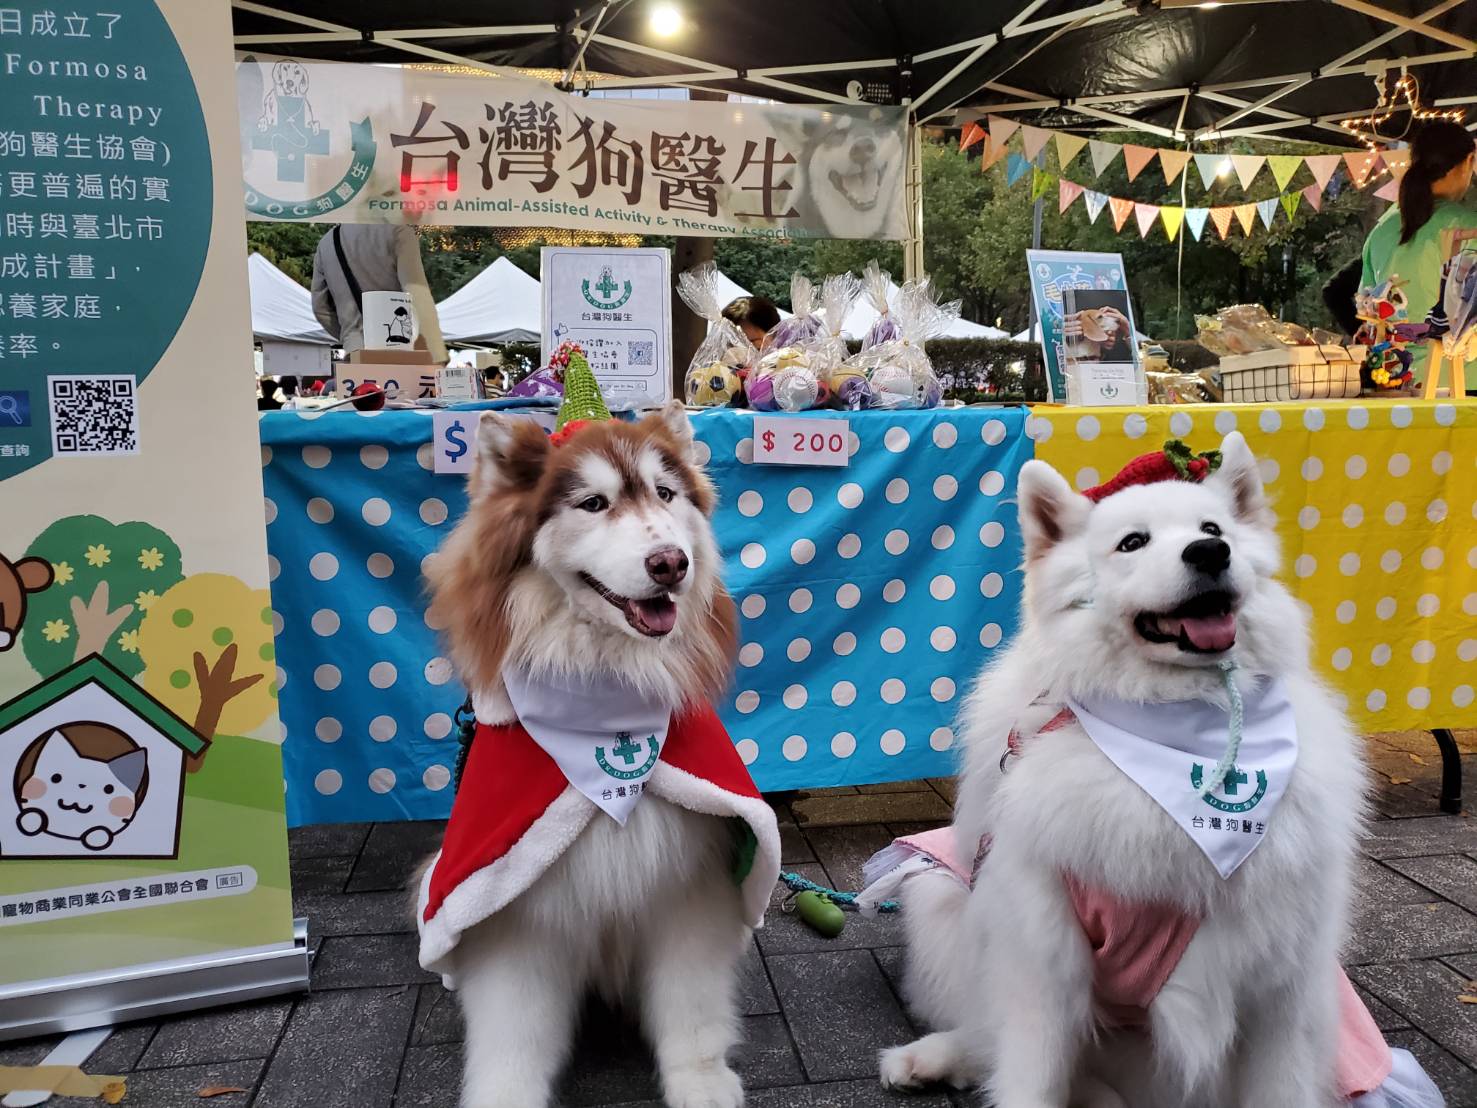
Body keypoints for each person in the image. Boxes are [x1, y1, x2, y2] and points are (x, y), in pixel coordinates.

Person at [1359, 119, 1476, 380]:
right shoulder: (1468, 226)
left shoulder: (1381, 232)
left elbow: (1366, 309)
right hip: (1463, 379)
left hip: (1394, 377)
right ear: (1469, 161)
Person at [311, 224, 447, 362]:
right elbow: (417, 293)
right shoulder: (399, 231)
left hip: (355, 351)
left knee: (362, 384)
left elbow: (320, 308)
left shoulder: (327, 242)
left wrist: (349, 335)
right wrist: (437, 352)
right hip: (401, 351)